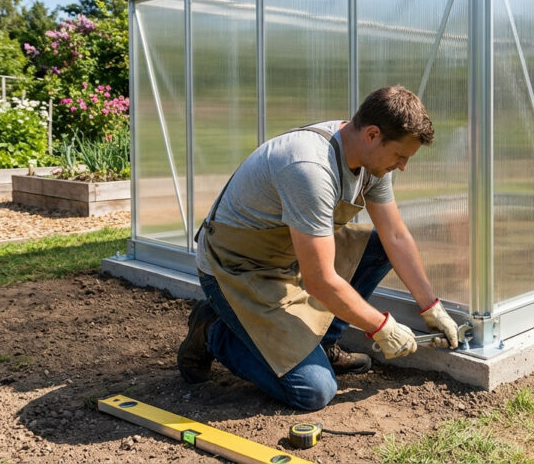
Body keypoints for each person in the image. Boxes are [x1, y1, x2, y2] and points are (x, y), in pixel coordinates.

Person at [177, 86, 460, 409]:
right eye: (400, 156)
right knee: (313, 391)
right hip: (237, 268)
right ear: (372, 135)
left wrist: (430, 306)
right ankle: (213, 331)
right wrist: (381, 327)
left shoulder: (371, 162)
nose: (403, 166)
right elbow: (320, 280)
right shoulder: (310, 168)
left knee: (380, 246)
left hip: (288, 254)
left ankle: (323, 344)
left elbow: (395, 236)